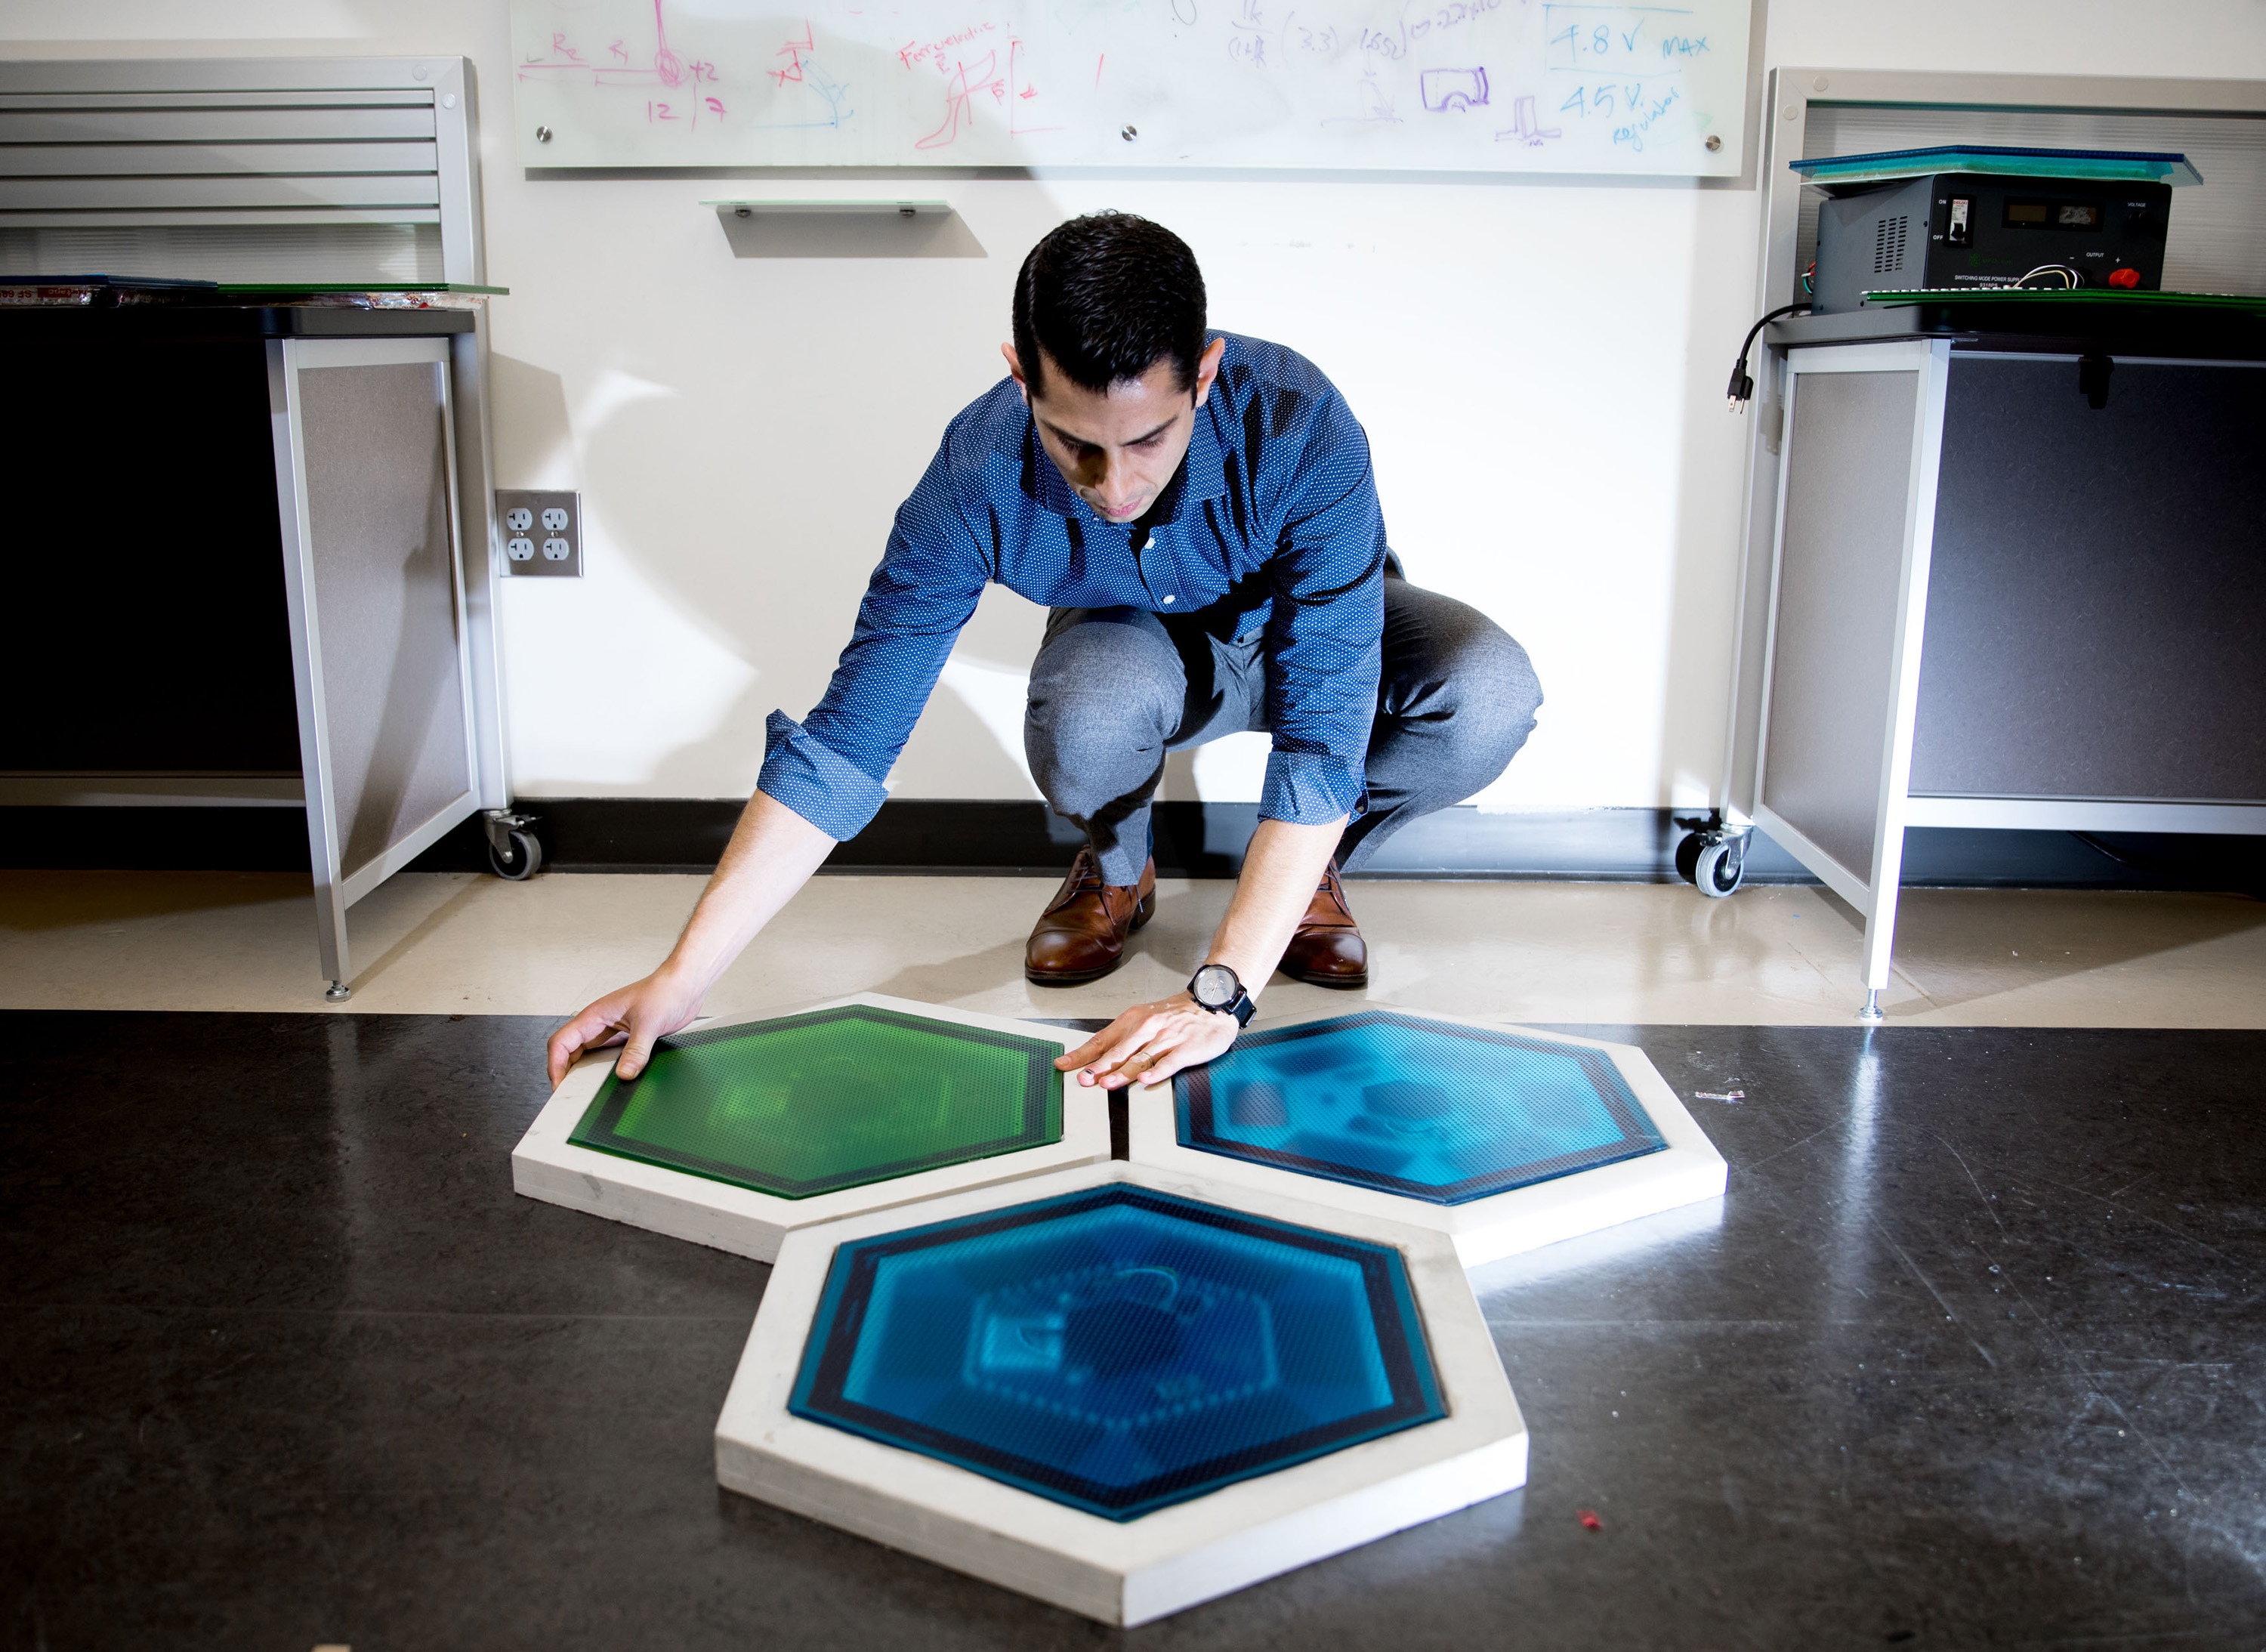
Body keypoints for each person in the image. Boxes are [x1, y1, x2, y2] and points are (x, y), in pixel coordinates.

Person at [545, 212, 1542, 1096]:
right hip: (1137, 650)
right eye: (1075, 446)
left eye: (1149, 440)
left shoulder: (1300, 426)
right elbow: (851, 738)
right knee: (1088, 703)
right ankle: (1120, 870)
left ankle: (1308, 871)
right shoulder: (975, 469)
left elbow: (1326, 728)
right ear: (1024, 379)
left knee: (1488, 691)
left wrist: (1218, 995)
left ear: (1203, 373)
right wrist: (682, 976)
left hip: (1310, 641)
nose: (1114, 488)